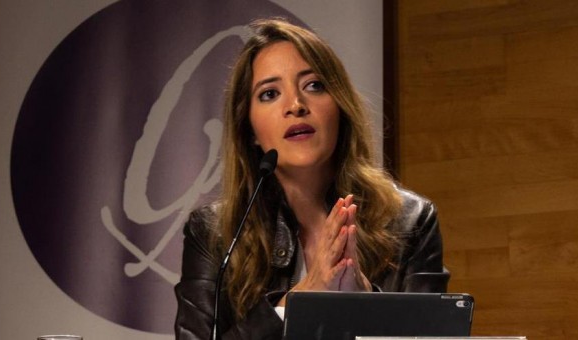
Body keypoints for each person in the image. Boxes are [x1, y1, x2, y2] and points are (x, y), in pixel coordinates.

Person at [174, 18, 449, 339]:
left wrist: (365, 301)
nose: (296, 105)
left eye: (314, 85)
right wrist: (300, 298)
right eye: (269, 93)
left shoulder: (410, 220)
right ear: (249, 131)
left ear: (340, 107)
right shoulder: (214, 232)